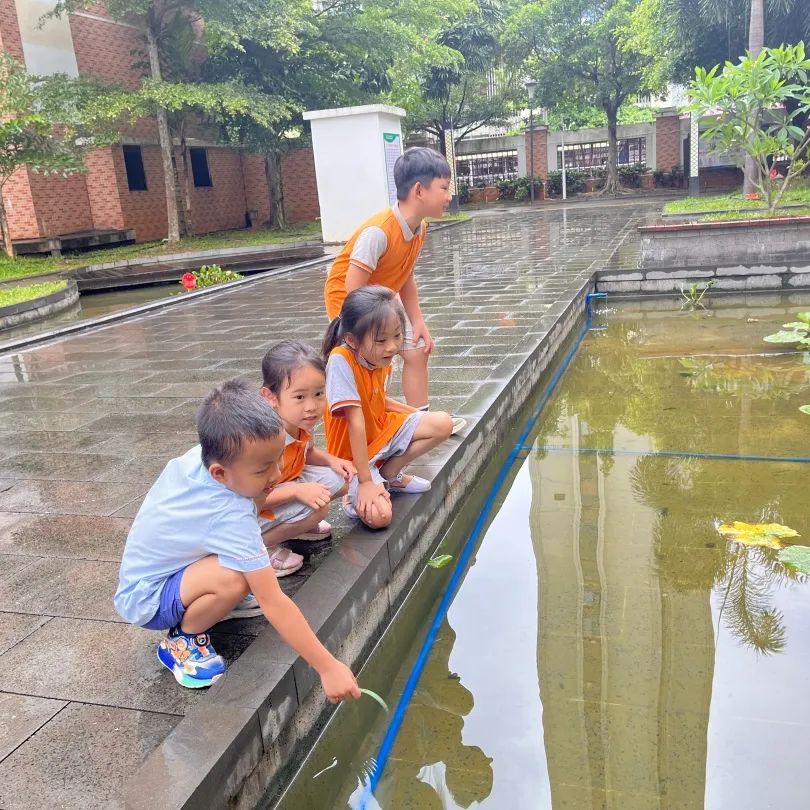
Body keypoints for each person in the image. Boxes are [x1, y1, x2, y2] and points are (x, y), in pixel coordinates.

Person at [113, 378, 361, 700]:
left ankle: (212, 596)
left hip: (167, 568)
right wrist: (327, 667)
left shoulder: (205, 458)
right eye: (262, 470)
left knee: (244, 565)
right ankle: (181, 640)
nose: (275, 475)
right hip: (148, 598)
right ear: (220, 473)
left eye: (278, 459)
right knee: (238, 578)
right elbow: (274, 601)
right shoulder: (228, 514)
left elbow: (247, 502)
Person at [323, 146, 464, 433]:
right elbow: (353, 286)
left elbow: (406, 274)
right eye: (444, 187)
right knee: (374, 362)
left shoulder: (419, 228)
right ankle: (374, 426)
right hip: (352, 304)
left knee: (416, 352)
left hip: (383, 298)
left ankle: (418, 421)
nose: (449, 196)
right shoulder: (379, 232)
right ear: (419, 190)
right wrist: (369, 333)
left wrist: (418, 321)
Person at [322, 285, 453, 529]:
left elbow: (380, 400)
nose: (392, 347)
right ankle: (361, 487)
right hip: (354, 455)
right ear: (352, 339)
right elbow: (355, 421)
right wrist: (364, 482)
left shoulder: (379, 356)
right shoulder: (341, 359)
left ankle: (389, 475)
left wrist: (417, 416)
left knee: (443, 422)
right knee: (380, 518)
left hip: (382, 432)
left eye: (396, 336)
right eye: (381, 340)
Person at [258, 340, 355, 558]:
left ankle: (296, 527)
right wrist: (297, 491)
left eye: (319, 394)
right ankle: (258, 548)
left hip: (282, 485)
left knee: (343, 478)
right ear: (270, 396)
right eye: (300, 397)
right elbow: (248, 497)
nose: (311, 406)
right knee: (319, 508)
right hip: (248, 510)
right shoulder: (264, 439)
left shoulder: (296, 421)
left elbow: (307, 452)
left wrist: (333, 461)